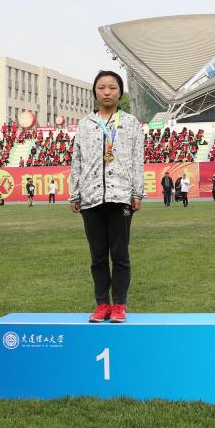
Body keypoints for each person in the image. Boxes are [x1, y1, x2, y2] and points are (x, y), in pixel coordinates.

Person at [70, 70, 145, 324]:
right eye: (102, 87)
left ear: (120, 92)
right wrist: (75, 194)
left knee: (120, 254)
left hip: (120, 196)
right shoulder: (85, 124)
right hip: (90, 198)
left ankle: (119, 305)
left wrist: (137, 192)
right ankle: (102, 304)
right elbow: (77, 160)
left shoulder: (131, 123)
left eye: (112, 87)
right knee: (98, 256)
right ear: (94, 92)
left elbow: (137, 159)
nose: (107, 92)